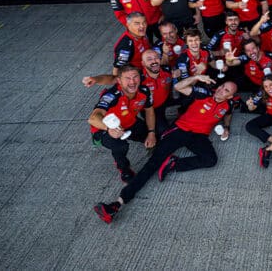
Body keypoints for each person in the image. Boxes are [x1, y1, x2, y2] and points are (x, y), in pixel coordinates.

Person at [93, 80, 236, 224]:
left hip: (200, 136)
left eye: (226, 91)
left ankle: (173, 163)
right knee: (152, 165)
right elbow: (179, 87)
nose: (221, 90)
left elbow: (228, 113)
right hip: (180, 130)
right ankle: (118, 203)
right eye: (222, 86)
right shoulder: (203, 94)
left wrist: (226, 127)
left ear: (230, 97)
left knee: (211, 160)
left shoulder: (229, 104)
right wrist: (198, 76)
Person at [87, 65, 155, 183]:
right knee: (120, 146)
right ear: (119, 80)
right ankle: (124, 168)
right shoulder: (111, 95)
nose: (132, 82)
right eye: (127, 78)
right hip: (105, 128)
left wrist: (151, 132)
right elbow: (93, 118)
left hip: (129, 122)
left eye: (135, 77)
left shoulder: (144, 90)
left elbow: (149, 111)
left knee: (155, 137)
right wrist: (108, 129)